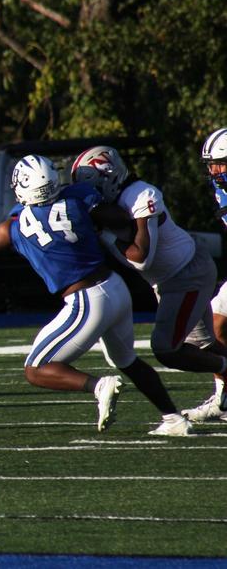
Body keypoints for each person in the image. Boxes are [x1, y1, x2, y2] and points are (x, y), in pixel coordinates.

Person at [0, 154, 189, 436]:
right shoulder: (80, 197)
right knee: (127, 360)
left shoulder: (17, 224)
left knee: (36, 369)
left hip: (86, 300)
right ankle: (173, 418)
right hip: (115, 287)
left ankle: (99, 386)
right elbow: (120, 219)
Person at [71, 145, 227, 423]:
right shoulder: (118, 200)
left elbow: (142, 257)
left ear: (109, 177)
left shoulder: (141, 194)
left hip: (186, 274)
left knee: (167, 349)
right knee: (205, 346)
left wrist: (104, 234)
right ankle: (223, 402)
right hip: (171, 279)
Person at [191, 128, 227, 422]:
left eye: (220, 163)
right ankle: (223, 397)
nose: (214, 170)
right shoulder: (221, 187)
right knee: (214, 327)